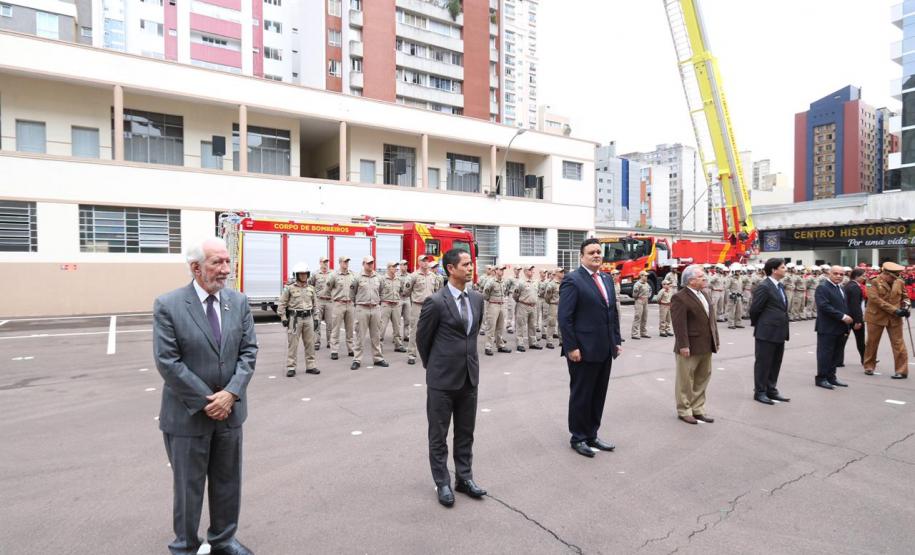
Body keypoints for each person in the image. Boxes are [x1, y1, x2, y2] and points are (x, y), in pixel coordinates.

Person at [153, 237, 257, 555]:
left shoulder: (238, 302)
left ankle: (224, 539)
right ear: (196, 267)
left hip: (231, 413)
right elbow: (167, 361)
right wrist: (208, 400)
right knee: (188, 487)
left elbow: (248, 352)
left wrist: (231, 394)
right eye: (217, 262)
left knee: (227, 483)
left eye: (227, 262)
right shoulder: (168, 304)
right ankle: (184, 545)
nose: (226, 269)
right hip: (188, 415)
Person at [416, 248, 487, 507]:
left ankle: (464, 478)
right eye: (465, 264)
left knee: (466, 433)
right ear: (450, 269)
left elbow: (473, 333)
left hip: (469, 378)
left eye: (471, 264)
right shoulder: (435, 302)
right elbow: (422, 340)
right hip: (442, 381)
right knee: (439, 435)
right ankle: (443, 483)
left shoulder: (477, 299)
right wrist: (435, 367)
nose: (470, 268)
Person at [558, 238, 622, 458]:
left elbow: (611, 312)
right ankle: (578, 437)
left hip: (604, 348)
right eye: (592, 252)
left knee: (598, 394)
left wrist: (616, 340)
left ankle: (592, 433)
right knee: (582, 394)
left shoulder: (606, 278)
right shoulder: (573, 280)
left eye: (599, 252)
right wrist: (571, 347)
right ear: (582, 256)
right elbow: (565, 318)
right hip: (582, 350)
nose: (597, 255)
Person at [670, 264, 718, 424]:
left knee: (702, 378)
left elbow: (710, 320)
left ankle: (698, 409)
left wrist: (715, 340)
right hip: (689, 346)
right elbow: (679, 324)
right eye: (700, 276)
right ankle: (684, 410)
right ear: (690, 280)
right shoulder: (680, 297)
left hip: (705, 344)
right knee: (685, 380)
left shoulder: (703, 293)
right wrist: (683, 345)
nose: (704, 278)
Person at [748, 258, 791, 405]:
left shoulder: (780, 286)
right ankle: (760, 392)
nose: (785, 269)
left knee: (775, 362)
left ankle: (771, 389)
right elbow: (755, 309)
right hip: (766, 331)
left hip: (779, 331)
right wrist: (761, 324)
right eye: (783, 267)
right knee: (764, 363)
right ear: (774, 270)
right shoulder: (764, 286)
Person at [863, 261, 911, 379]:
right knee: (872, 343)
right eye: (892, 277)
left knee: (898, 343)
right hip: (875, 316)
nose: (894, 280)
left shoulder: (899, 281)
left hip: (894, 318)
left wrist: (905, 307)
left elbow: (905, 297)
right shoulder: (872, 281)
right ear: (885, 273)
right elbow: (875, 299)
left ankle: (901, 371)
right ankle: (869, 366)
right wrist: (895, 310)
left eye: (896, 277)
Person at [814, 265, 853, 389]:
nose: (838, 276)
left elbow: (843, 305)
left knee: (835, 354)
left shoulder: (840, 287)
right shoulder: (823, 287)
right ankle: (822, 378)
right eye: (835, 273)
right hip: (827, 327)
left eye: (841, 274)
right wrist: (842, 316)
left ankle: (831, 377)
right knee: (825, 354)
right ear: (829, 274)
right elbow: (824, 306)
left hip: (840, 327)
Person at [278, 262, 319, 377]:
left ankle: (311, 366)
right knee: (293, 344)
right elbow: (282, 303)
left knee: (310, 343)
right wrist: (283, 317)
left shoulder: (311, 288)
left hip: (308, 318)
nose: (303, 276)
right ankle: (291, 367)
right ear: (296, 275)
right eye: (301, 274)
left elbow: (315, 305)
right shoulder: (289, 289)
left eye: (305, 274)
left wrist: (316, 318)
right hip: (295, 319)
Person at [351, 256, 388, 371]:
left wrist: (377, 303)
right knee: (359, 335)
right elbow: (352, 293)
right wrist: (358, 304)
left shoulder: (379, 277)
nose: (371, 265)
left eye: (372, 263)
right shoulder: (357, 277)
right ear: (363, 264)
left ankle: (378, 358)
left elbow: (381, 291)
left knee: (376, 335)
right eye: (368, 263)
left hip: (375, 308)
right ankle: (357, 359)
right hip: (362, 308)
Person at [404, 254, 440, 365]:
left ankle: (429, 354)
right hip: (417, 305)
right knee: (414, 330)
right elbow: (407, 291)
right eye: (423, 261)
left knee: (431, 330)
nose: (425, 263)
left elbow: (437, 290)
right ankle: (411, 354)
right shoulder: (413, 276)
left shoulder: (433, 276)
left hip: (430, 306)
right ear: (419, 263)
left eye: (427, 260)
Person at [324, 256, 356, 360]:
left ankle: (351, 349)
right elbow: (327, 289)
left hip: (350, 304)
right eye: (345, 261)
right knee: (336, 328)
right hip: (339, 304)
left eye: (347, 261)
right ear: (340, 263)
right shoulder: (334, 275)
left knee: (350, 328)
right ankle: (334, 350)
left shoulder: (352, 274)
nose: (346, 263)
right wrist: (334, 298)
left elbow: (355, 288)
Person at [840, 268, 867, 367]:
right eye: (863, 276)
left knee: (843, 340)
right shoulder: (855, 287)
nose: (865, 278)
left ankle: (838, 360)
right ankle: (866, 360)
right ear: (856, 276)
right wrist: (858, 320)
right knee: (860, 341)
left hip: (847, 316)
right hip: (854, 318)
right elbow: (855, 305)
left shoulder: (848, 285)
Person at [482, 265, 511, 356]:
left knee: (500, 327)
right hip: (493, 305)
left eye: (503, 270)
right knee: (491, 326)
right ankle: (488, 346)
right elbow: (485, 293)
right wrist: (490, 301)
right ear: (496, 270)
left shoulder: (503, 282)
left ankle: (500, 345)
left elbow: (505, 292)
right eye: (501, 269)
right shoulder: (491, 281)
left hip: (502, 305)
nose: (502, 271)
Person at [512, 265, 541, 351]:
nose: (531, 271)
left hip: (533, 306)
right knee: (521, 325)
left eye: (532, 270)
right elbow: (515, 295)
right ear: (525, 272)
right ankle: (520, 344)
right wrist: (520, 301)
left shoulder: (535, 282)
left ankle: (533, 343)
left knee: (533, 325)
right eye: (529, 270)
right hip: (523, 305)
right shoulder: (520, 282)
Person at [380, 261, 407, 353]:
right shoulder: (382, 279)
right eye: (394, 266)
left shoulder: (399, 279)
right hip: (386, 305)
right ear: (388, 268)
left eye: (396, 266)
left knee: (397, 326)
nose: (396, 268)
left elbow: (401, 290)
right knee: (382, 326)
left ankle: (398, 345)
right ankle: (379, 346)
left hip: (396, 305)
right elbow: (378, 291)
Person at [308, 256, 333, 350]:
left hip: (330, 301)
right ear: (320, 263)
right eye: (324, 262)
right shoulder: (315, 274)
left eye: (327, 261)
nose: (325, 263)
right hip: (319, 301)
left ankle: (330, 342)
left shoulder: (332, 273)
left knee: (330, 323)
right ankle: (316, 342)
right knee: (317, 322)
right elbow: (310, 285)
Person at [543, 268, 563, 349]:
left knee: (562, 323)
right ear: (556, 273)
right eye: (561, 272)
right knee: (551, 323)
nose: (562, 273)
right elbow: (547, 297)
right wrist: (551, 302)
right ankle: (549, 342)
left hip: (561, 305)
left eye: (563, 272)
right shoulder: (551, 284)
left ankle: (562, 341)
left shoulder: (563, 283)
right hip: (553, 305)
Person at [631, 271, 651, 339]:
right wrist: (638, 298)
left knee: (644, 317)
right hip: (639, 300)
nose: (646, 277)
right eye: (645, 276)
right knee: (638, 317)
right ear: (641, 276)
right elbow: (634, 294)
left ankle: (643, 332)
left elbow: (649, 291)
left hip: (645, 300)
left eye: (646, 276)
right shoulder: (637, 284)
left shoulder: (646, 284)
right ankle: (634, 333)